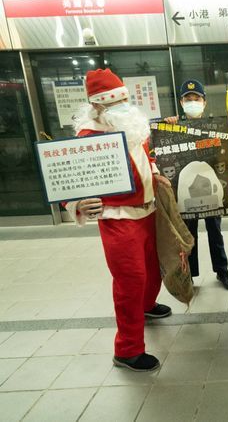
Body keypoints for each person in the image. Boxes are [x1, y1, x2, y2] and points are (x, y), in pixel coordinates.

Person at [65, 69, 171, 372]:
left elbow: (144, 156)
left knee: (153, 269)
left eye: (126, 101)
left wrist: (155, 172)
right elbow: (68, 182)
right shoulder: (87, 136)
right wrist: (77, 203)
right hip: (118, 219)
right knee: (130, 281)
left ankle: (147, 306)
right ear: (97, 106)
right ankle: (127, 350)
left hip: (148, 211)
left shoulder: (130, 125)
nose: (125, 109)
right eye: (116, 104)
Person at [164, 79, 228, 290]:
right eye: (188, 99)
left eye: (196, 99)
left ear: (204, 102)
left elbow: (225, 150)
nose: (192, 102)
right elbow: (160, 148)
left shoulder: (213, 127)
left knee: (215, 232)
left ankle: (222, 271)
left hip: (210, 188)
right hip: (186, 192)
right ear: (181, 102)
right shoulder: (174, 126)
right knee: (189, 235)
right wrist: (166, 126)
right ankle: (191, 275)